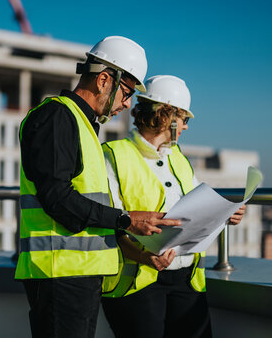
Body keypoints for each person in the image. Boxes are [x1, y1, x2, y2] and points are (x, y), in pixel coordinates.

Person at [14, 37, 182, 338]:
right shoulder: (57, 117)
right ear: (104, 80)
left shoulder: (82, 124)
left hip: (78, 274)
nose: (128, 104)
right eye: (127, 92)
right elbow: (57, 198)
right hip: (59, 274)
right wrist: (126, 219)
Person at [100, 75, 246, 338]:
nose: (187, 127)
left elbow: (199, 210)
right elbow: (110, 225)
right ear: (165, 115)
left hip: (187, 280)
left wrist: (226, 214)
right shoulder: (114, 154)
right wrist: (144, 256)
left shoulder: (178, 158)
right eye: (185, 119)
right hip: (138, 282)